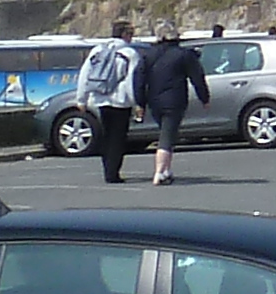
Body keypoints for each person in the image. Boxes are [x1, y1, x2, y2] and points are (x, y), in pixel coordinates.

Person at [134, 24, 206, 184]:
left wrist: (140, 102)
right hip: (175, 99)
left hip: (154, 100)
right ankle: (159, 172)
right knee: (167, 135)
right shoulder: (184, 55)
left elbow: (138, 80)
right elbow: (197, 78)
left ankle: (166, 170)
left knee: (167, 132)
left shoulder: (147, 55)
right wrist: (204, 98)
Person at [77, 20, 141, 184]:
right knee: (118, 138)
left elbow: (85, 75)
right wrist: (136, 103)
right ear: (125, 34)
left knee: (107, 134)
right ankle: (113, 173)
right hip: (121, 101)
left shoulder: (98, 50)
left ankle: (107, 168)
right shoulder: (130, 53)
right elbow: (131, 82)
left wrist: (81, 99)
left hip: (100, 98)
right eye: (131, 34)